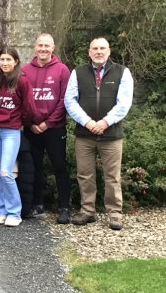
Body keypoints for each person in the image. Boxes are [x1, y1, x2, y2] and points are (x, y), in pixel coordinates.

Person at [65, 37, 133, 231]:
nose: (99, 51)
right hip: (84, 134)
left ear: (109, 51)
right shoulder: (78, 72)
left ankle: (114, 214)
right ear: (89, 52)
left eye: (103, 48)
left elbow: (124, 103)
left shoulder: (122, 72)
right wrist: (87, 122)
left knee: (112, 177)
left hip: (111, 135)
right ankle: (87, 211)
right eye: (95, 48)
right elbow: (70, 101)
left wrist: (104, 122)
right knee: (85, 175)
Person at [22, 34, 72, 224]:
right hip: (31, 129)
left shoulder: (62, 70)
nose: (43, 49)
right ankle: (37, 204)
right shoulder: (25, 70)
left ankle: (64, 207)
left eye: (47, 46)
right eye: (40, 45)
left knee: (59, 167)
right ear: (35, 47)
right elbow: (22, 100)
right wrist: (30, 123)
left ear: (53, 48)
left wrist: (48, 123)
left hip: (54, 128)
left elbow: (64, 101)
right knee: (34, 168)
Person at [0, 47, 38, 227]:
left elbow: (29, 108)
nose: (5, 63)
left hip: (10, 131)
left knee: (6, 172)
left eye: (9, 59)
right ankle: (2, 210)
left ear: (15, 61)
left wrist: (19, 121)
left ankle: (15, 212)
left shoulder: (22, 81)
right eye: (2, 60)